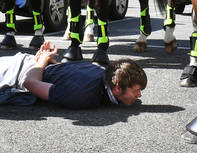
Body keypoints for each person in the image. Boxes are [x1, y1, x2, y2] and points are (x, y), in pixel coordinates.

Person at [0, 41, 147, 109]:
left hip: (28, 64)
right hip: (14, 72)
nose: (139, 95)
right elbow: (29, 83)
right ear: (117, 88)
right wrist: (42, 62)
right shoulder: (81, 94)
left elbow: (66, 72)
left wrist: (45, 62)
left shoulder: (103, 71)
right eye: (135, 91)